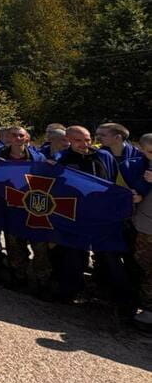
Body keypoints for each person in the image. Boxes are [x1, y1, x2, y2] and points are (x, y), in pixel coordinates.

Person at [54, 126, 131, 314]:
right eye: (79, 140)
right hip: (74, 216)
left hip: (102, 217)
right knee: (73, 255)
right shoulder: (61, 159)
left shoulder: (104, 157)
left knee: (109, 256)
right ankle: (70, 292)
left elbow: (115, 184)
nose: (85, 144)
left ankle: (121, 301)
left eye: (88, 139)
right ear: (69, 140)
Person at [0, 126, 51, 293]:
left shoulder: (38, 158)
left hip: (35, 209)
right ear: (8, 138)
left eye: (21, 135)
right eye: (14, 135)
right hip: (12, 208)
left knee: (40, 247)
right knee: (14, 246)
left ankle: (43, 282)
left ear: (26, 138)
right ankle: (19, 277)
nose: (18, 138)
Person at [123, 134, 152, 326]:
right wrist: (136, 193)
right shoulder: (133, 165)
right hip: (145, 226)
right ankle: (147, 309)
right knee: (145, 267)